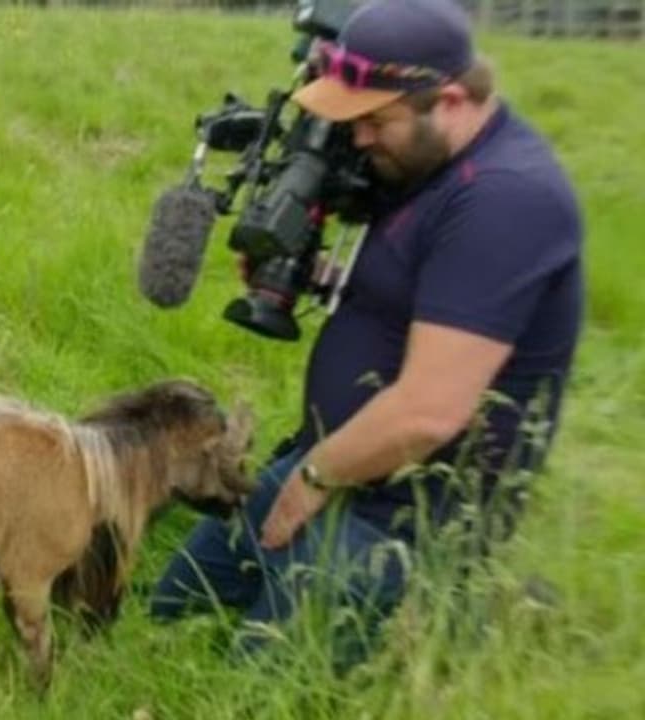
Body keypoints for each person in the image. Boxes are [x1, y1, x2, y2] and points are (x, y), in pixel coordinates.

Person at [149, 0, 584, 666]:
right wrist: (299, 265)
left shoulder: (507, 201)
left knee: (255, 684)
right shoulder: (417, 162)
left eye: (375, 121)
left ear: (453, 100)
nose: (359, 139)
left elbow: (428, 412)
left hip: (408, 513)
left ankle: (466, 608)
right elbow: (409, 282)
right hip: (334, 453)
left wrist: (313, 481)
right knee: (168, 609)